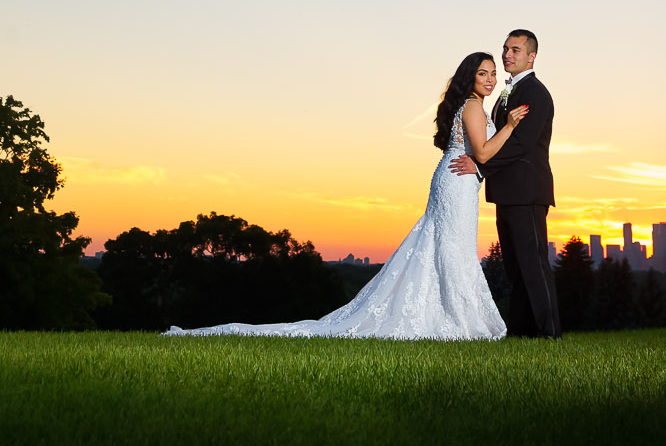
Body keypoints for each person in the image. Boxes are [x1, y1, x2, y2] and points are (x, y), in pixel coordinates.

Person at [164, 51, 523, 339]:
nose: (490, 79)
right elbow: (483, 152)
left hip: (457, 182)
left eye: (493, 74)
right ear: (469, 77)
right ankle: (460, 320)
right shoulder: (472, 106)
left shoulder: (472, 105)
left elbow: (479, 154)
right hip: (456, 185)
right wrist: (508, 127)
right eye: (483, 73)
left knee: (444, 248)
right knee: (452, 249)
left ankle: (450, 315)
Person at [448, 29, 558, 337]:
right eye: (506, 49)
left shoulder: (535, 93)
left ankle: (549, 333)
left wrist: (481, 165)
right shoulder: (509, 92)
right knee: (516, 267)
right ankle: (522, 332)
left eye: (515, 50)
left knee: (533, 265)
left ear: (531, 56)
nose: (507, 54)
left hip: (526, 191)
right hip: (507, 192)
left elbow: (522, 143)